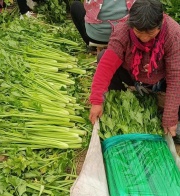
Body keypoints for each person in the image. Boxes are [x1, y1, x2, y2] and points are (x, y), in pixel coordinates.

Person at [89, 0, 180, 143]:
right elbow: (106, 67)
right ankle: (121, 100)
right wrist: (96, 101)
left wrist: (170, 116)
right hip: (133, 76)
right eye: (138, 32)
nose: (144, 38)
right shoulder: (123, 31)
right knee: (103, 57)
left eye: (150, 33)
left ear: (160, 23)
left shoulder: (173, 34)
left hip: (161, 81)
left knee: (173, 115)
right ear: (131, 25)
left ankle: (166, 112)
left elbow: (175, 77)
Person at [70, 0, 135, 50]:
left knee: (75, 6)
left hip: (95, 39)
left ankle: (92, 45)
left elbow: (87, 8)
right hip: (123, 39)